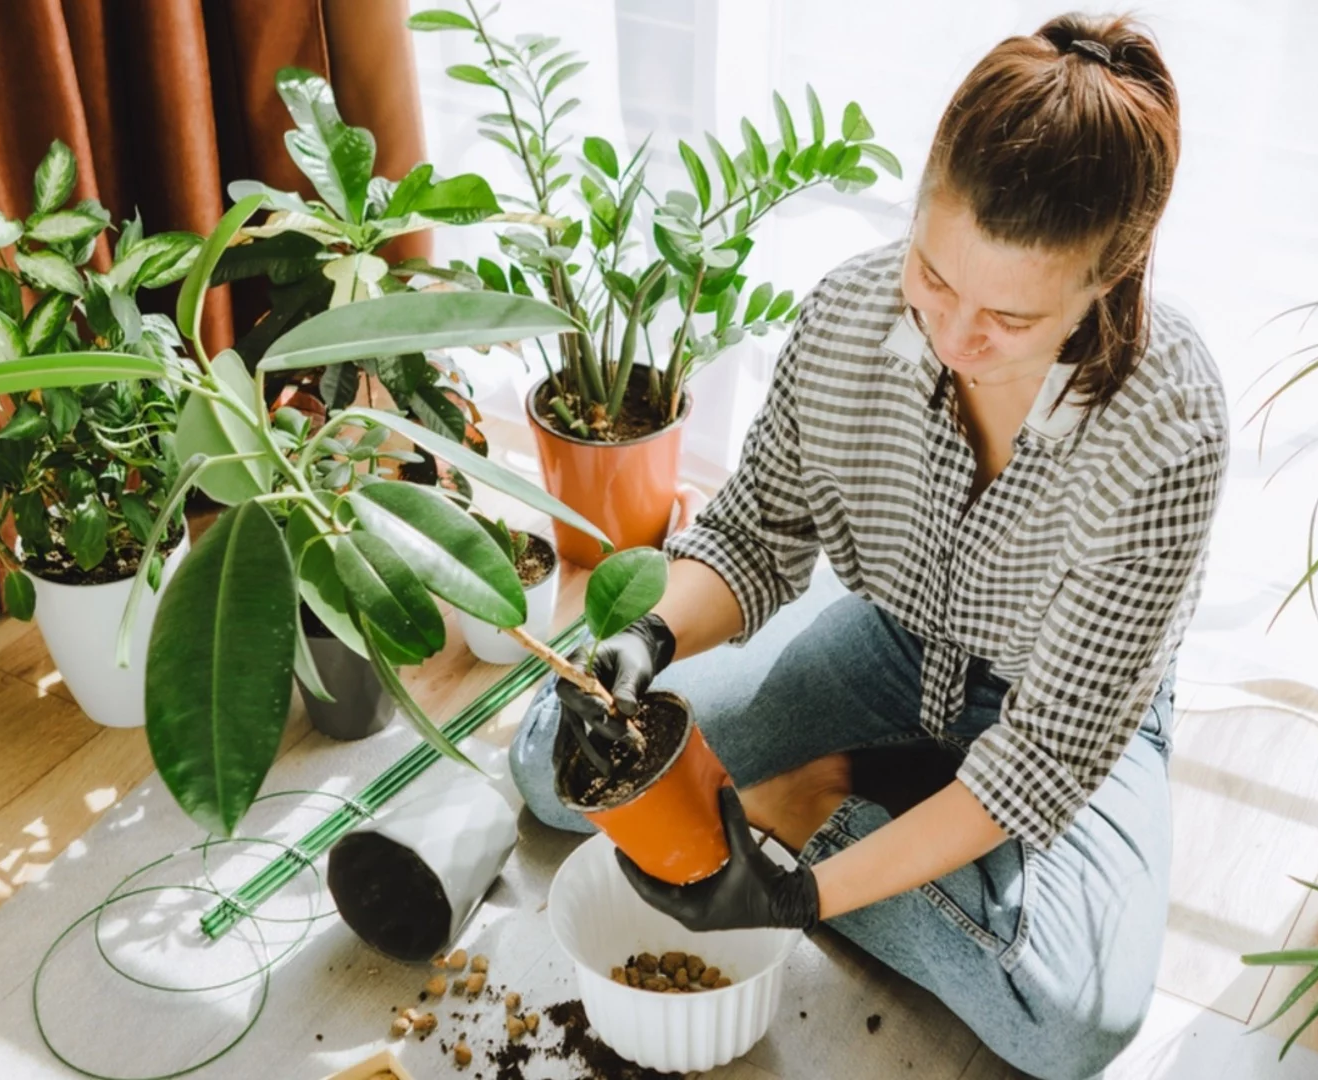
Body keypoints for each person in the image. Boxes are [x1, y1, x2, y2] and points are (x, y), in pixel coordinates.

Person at [509, 13, 1225, 1080]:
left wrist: (796, 890)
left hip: (1059, 713)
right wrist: (653, 638)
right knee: (554, 770)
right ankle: (830, 784)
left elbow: (1036, 767)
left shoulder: (1168, 432)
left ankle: (818, 807)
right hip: (891, 638)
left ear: (1109, 279)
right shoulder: (848, 313)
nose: (952, 336)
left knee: (1072, 1020)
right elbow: (755, 532)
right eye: (934, 275)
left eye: (1009, 318)